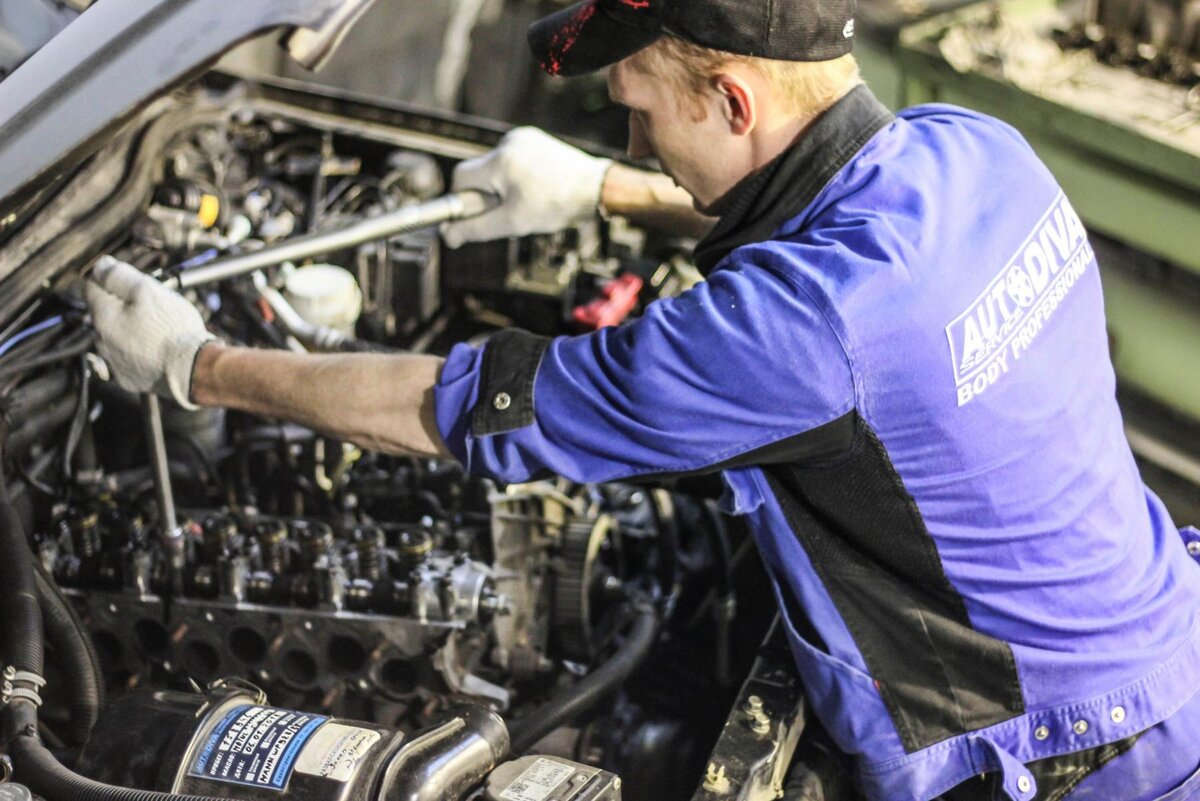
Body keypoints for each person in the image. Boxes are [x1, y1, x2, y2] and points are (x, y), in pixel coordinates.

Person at [84, 0, 1200, 798]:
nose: (633, 140)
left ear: (733, 98)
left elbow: (458, 406)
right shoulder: (976, 152)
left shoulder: (796, 335)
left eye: (637, 115)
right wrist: (601, 191)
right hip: (1164, 654)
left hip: (1069, 761)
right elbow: (833, 235)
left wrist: (200, 365)